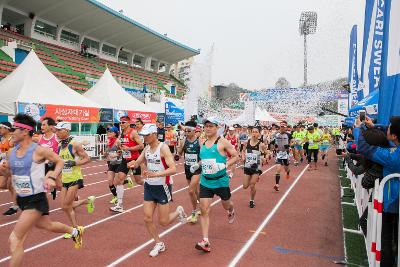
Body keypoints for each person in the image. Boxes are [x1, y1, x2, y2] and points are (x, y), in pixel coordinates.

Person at [0, 114, 84, 267]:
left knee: (15, 239)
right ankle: (75, 232)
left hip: (36, 199)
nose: (12, 132)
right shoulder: (11, 153)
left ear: (25, 131)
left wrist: (52, 176)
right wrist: (4, 170)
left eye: (15, 129)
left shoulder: (38, 150)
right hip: (22, 199)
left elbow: (59, 161)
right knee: (47, 225)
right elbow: (9, 175)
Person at [127, 124, 186, 257]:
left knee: (163, 222)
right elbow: (138, 162)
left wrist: (156, 174)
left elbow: (173, 169)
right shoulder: (147, 148)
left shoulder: (163, 148)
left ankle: (178, 211)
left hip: (162, 186)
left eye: (147, 135)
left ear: (154, 134)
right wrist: (133, 164)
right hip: (149, 186)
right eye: (143, 135)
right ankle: (159, 243)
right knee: (147, 218)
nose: (144, 137)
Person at [354, 116, 400, 267]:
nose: (386, 127)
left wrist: (359, 128)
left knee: (387, 241)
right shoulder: (393, 149)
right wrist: (374, 126)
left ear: (394, 136)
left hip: (391, 204)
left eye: (389, 126)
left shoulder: (392, 157)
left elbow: (363, 147)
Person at [192, 118, 239, 252]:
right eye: (206, 126)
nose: (207, 129)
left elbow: (236, 156)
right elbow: (205, 160)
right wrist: (198, 164)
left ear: (217, 128)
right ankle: (205, 241)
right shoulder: (203, 142)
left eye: (211, 126)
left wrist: (224, 165)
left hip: (220, 181)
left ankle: (231, 211)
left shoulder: (222, 142)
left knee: (226, 204)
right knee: (204, 210)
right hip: (206, 181)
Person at [55, 121, 95, 237]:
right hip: (65, 179)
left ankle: (75, 229)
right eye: (56, 130)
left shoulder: (74, 144)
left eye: (59, 130)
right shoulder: (59, 145)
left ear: (67, 131)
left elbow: (87, 158)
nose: (57, 132)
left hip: (75, 178)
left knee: (67, 205)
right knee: (63, 206)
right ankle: (87, 201)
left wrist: (75, 162)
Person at [111, 116, 143, 213]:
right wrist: (119, 149)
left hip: (134, 160)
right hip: (125, 160)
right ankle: (119, 205)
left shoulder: (133, 132)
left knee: (138, 181)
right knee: (119, 179)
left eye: (123, 122)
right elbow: (121, 146)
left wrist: (128, 149)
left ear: (128, 123)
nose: (121, 124)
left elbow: (141, 146)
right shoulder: (122, 133)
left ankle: (152, 186)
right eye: (120, 122)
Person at [177, 121, 201, 223]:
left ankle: (194, 211)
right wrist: (177, 155)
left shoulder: (200, 141)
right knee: (195, 191)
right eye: (185, 131)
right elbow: (180, 153)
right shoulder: (183, 141)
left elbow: (204, 156)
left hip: (197, 169)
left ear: (194, 130)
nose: (186, 133)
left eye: (188, 131)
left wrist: (197, 164)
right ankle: (201, 204)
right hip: (187, 168)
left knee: (191, 191)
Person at [242, 126, 267, 208]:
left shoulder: (261, 144)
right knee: (245, 186)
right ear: (251, 133)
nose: (254, 133)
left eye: (256, 132)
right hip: (247, 166)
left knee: (252, 185)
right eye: (253, 132)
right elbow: (242, 150)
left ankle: (252, 200)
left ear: (259, 134)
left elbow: (267, 153)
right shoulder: (247, 142)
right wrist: (243, 156)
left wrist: (264, 158)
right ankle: (252, 178)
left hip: (256, 167)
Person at [0, 122, 18, 216]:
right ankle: (18, 201)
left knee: (11, 185)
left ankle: (15, 206)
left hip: (12, 164)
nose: (0, 129)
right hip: (4, 163)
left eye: (1, 128)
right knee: (4, 185)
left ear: (7, 128)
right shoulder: (2, 139)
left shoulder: (12, 139)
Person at [104, 126, 122, 205]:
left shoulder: (118, 141)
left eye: (110, 132)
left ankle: (118, 198)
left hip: (119, 163)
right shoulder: (108, 142)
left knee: (117, 182)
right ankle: (115, 196)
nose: (109, 133)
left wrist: (116, 155)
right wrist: (105, 153)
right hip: (111, 163)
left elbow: (122, 151)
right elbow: (106, 152)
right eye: (108, 132)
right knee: (110, 182)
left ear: (115, 133)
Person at [273, 121, 291, 192]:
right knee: (278, 170)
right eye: (281, 126)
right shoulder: (276, 134)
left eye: (284, 127)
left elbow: (292, 142)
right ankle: (277, 185)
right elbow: (275, 143)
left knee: (286, 169)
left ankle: (288, 173)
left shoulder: (289, 135)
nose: (282, 128)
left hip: (286, 154)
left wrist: (289, 146)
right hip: (279, 154)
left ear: (286, 127)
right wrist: (276, 148)